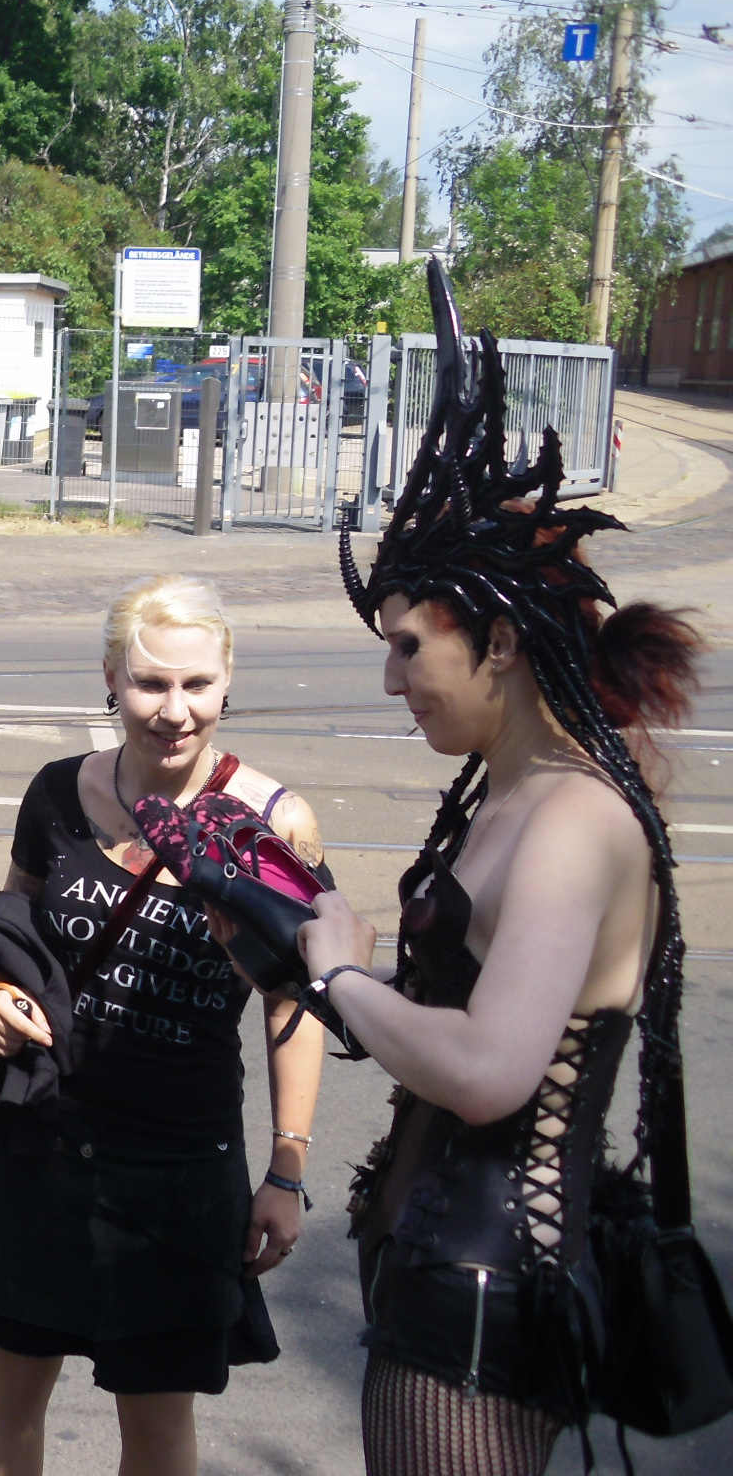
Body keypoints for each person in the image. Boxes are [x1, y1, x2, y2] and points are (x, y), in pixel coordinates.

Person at [305, 260, 704, 1475]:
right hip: (437, 1276)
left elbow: (487, 1072)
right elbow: (460, 1010)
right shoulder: (509, 791)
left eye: (406, 649)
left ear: (497, 643)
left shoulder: (574, 819)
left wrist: (338, 979)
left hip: (483, 1296)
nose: (390, 680)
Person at [0, 573, 329, 1476]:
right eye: (151, 683)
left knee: (156, 1418)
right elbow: (12, 925)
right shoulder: (57, 793)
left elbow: (291, 1001)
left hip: (181, 1162)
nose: (174, 711)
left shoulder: (273, 824)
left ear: (228, 680)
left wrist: (286, 1170)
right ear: (111, 679)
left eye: (196, 684)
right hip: (43, 1140)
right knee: (8, 1391)